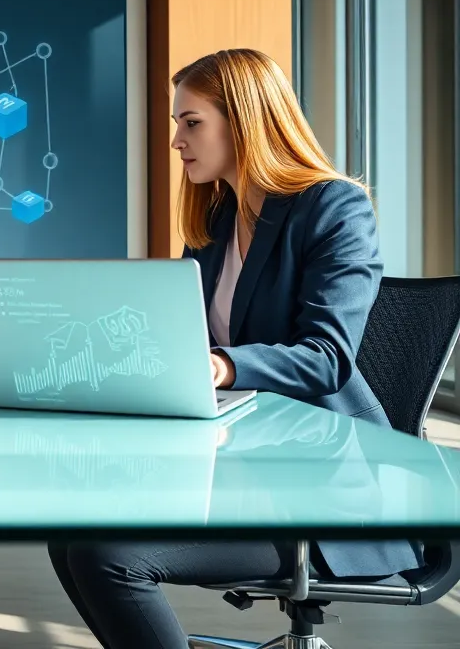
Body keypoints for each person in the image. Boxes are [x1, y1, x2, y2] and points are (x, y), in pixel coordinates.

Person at [47, 48, 425, 649]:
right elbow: (180, 340)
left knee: (107, 554)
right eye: (178, 123)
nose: (176, 140)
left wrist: (221, 365)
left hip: (323, 498)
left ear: (245, 121)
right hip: (241, 472)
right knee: (71, 535)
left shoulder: (333, 208)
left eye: (190, 122)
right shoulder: (217, 221)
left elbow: (326, 356)